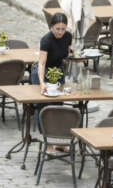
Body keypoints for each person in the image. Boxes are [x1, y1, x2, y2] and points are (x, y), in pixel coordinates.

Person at [31, 12, 72, 153]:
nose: (60, 32)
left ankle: (59, 142)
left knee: (58, 106)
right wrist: (42, 83)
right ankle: (47, 143)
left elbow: (67, 54)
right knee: (43, 108)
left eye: (63, 29)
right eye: (57, 29)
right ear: (51, 27)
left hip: (58, 71)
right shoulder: (46, 40)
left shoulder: (68, 36)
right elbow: (41, 64)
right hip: (43, 71)